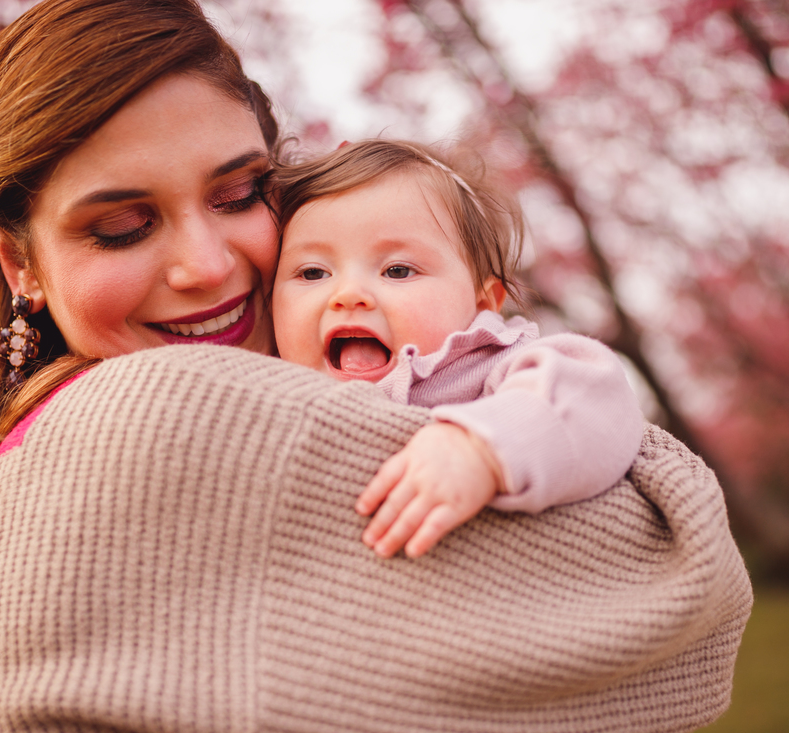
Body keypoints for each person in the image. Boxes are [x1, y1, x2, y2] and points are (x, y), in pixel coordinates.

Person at [0, 1, 753, 733]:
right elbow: (689, 593)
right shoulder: (142, 417)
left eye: (240, 194)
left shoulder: (50, 448)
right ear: (19, 260)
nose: (208, 267)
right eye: (122, 227)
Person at [268, 140, 644, 562]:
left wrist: (480, 448)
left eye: (397, 270)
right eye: (313, 272)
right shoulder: (270, 397)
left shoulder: (494, 365)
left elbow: (595, 398)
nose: (348, 294)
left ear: (482, 302)